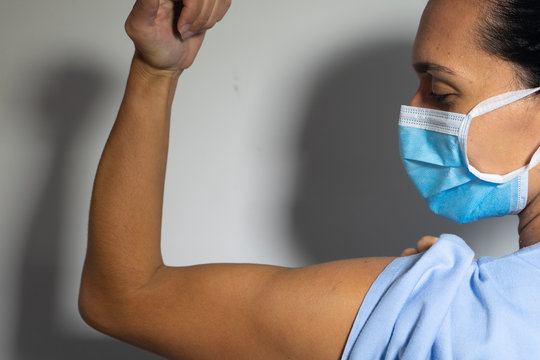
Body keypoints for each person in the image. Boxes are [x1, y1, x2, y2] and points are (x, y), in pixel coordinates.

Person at [78, 0, 540, 358]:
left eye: (441, 92)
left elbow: (124, 297)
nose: (413, 112)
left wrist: (156, 70)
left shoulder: (444, 313)